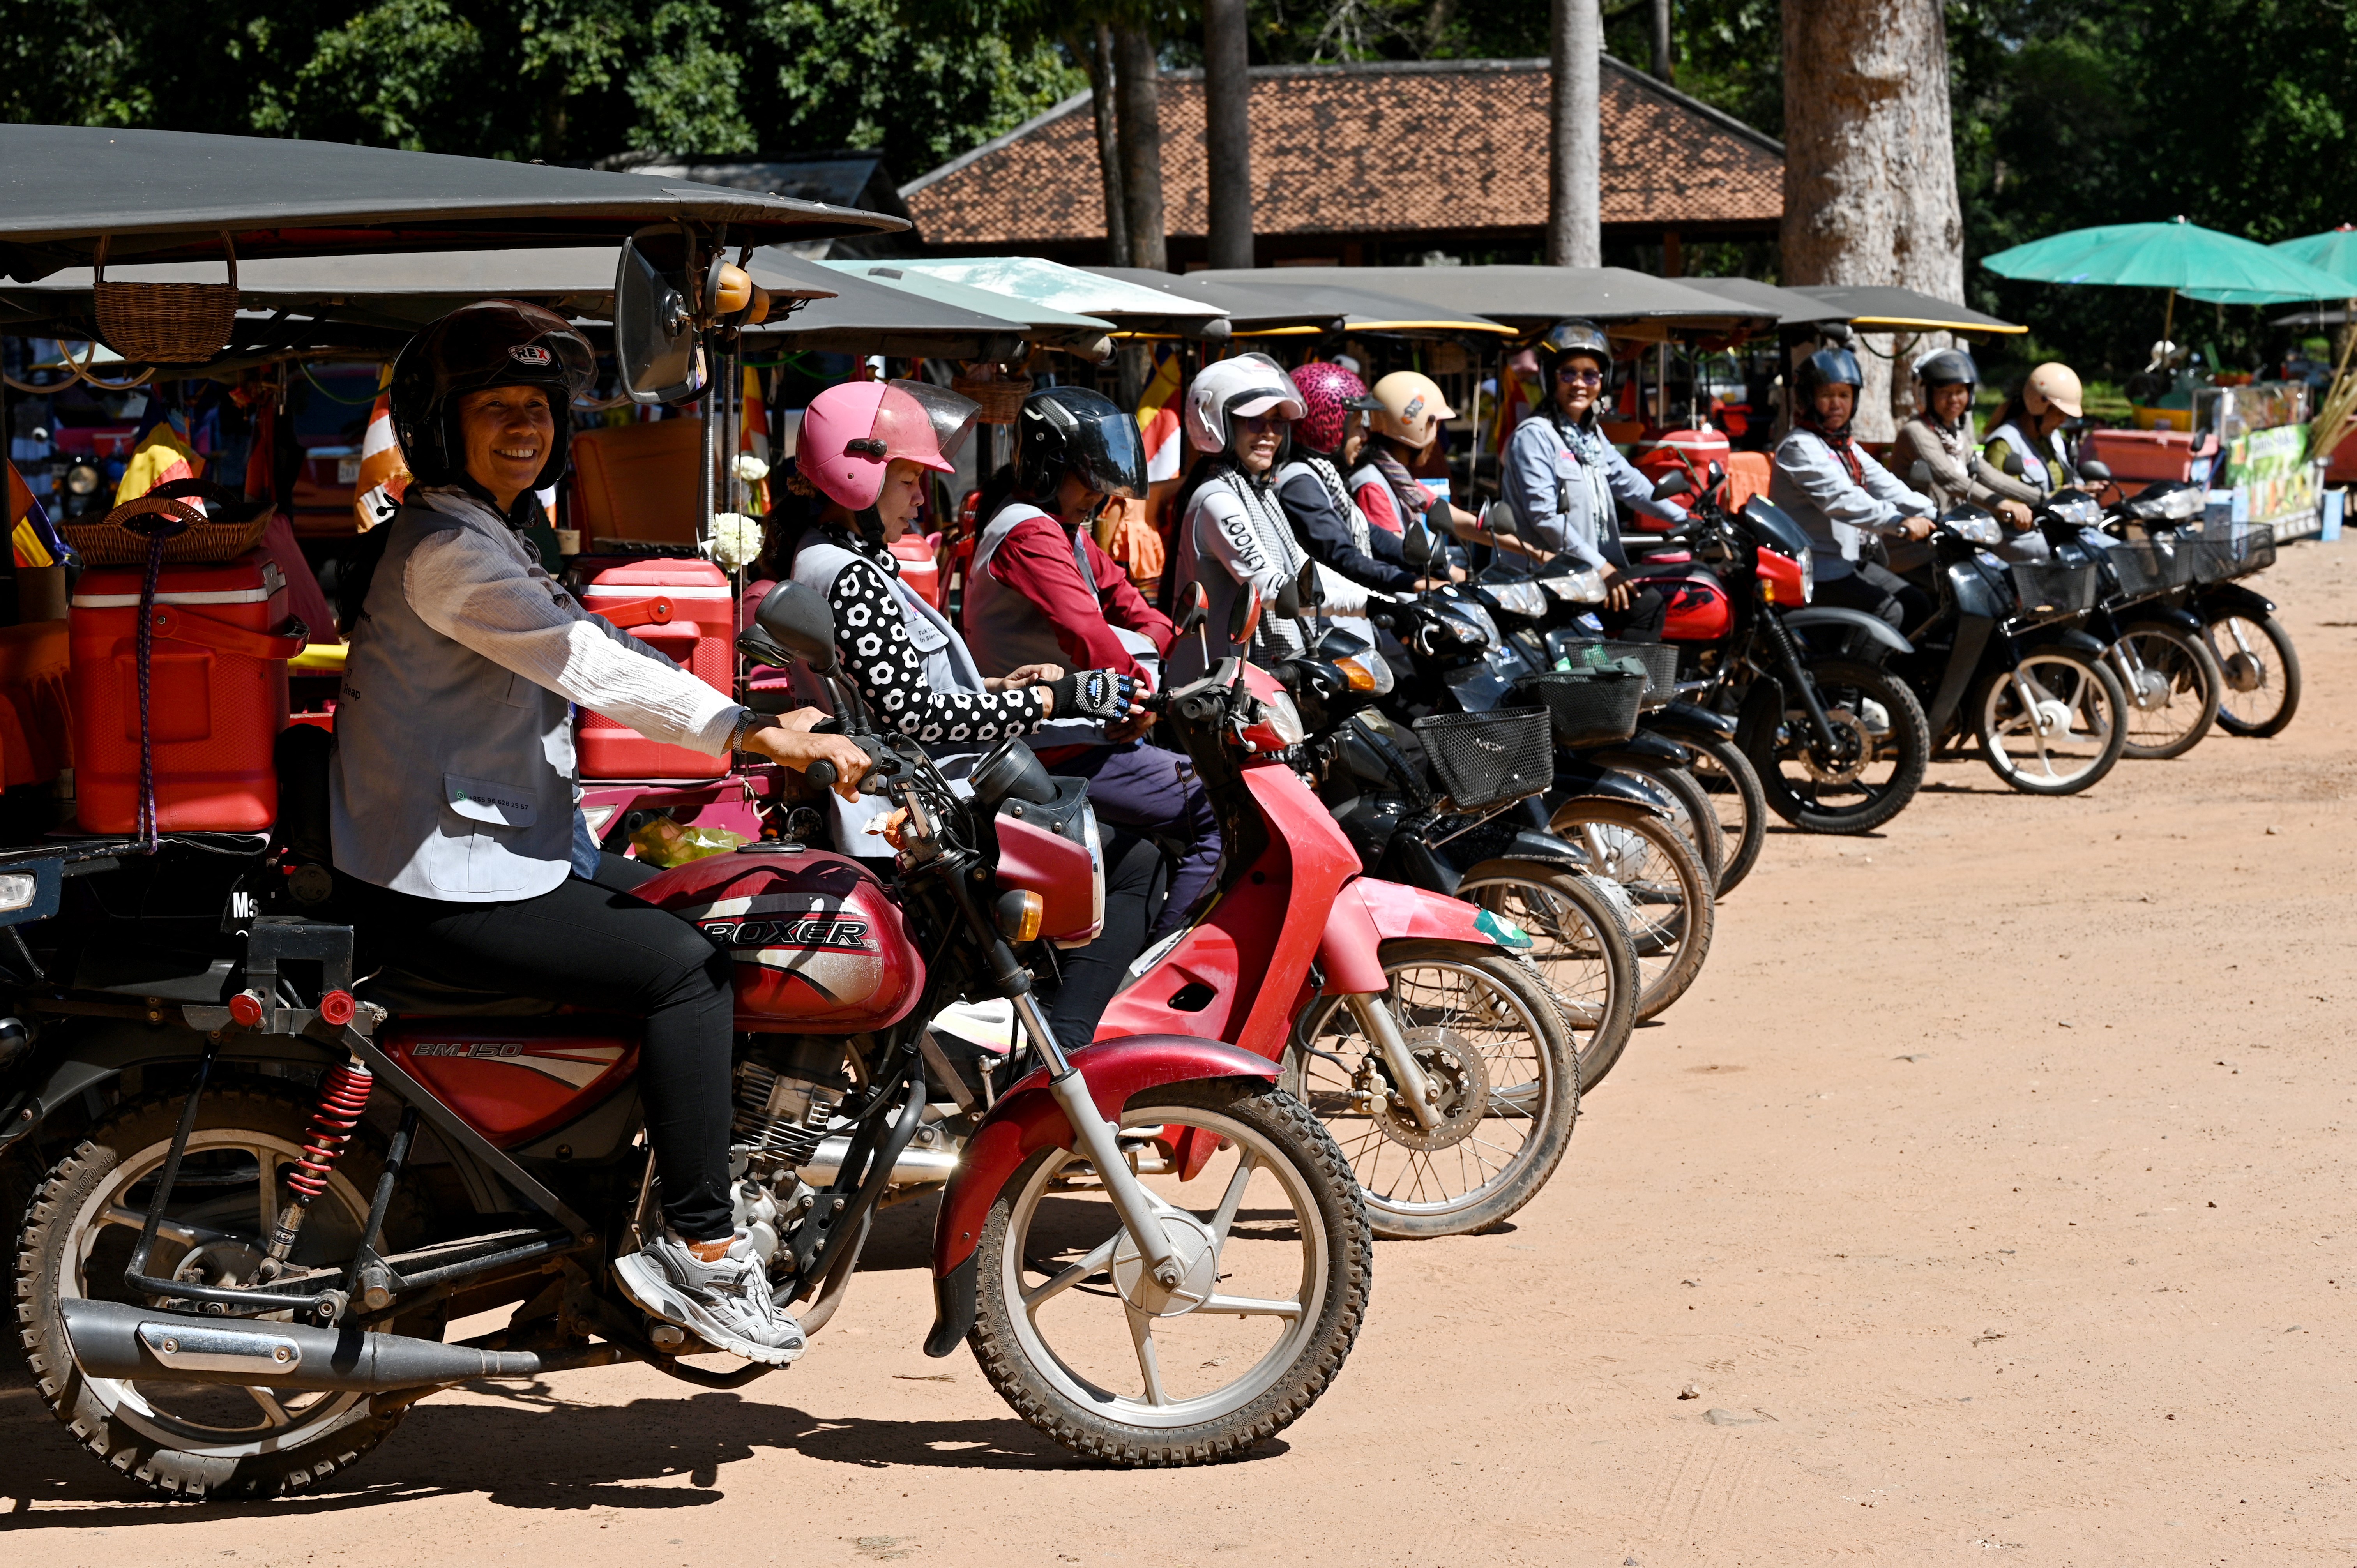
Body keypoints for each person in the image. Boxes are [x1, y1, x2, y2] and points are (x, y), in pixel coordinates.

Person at [331, 301, 871, 1366]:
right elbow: (586, 665)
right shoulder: (448, 550)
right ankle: (704, 1249)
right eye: (497, 409)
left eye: (537, 409)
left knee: (708, 907)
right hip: (443, 878)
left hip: (507, 849)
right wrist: (746, 729)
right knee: (688, 975)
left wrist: (765, 702)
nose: (524, 427)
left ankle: (604, 1216)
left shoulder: (491, 529)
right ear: (445, 425)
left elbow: (605, 639)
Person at [779, 378, 1151, 1042]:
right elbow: (915, 716)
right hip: (918, 814)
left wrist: (1007, 684)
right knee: (1129, 861)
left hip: (917, 801)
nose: (922, 497)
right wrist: (1049, 697)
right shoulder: (847, 574)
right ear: (856, 472)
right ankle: (1062, 1051)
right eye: (908, 480)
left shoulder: (832, 559)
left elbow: (905, 692)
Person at [961, 384, 1220, 941]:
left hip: (1084, 733)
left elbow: (1135, 606)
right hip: (1053, 743)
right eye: (1090, 484)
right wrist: (1136, 695)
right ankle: (1161, 967)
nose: (1099, 501)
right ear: (1051, 466)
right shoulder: (1029, 534)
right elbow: (1088, 634)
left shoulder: (1065, 532)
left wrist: (1139, 670)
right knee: (1218, 810)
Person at [1166, 354, 1373, 689]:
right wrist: (1369, 606)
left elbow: (1307, 571)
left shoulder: (1260, 493)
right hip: (1220, 691)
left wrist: (1381, 601)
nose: (1269, 435)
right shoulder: (1217, 500)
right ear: (1216, 423)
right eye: (1254, 421)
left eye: (1277, 423)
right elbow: (1271, 588)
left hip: (1254, 679)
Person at [1498, 319, 1687, 635]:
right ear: (1551, 378)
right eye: (1568, 373)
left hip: (1579, 575)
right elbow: (1545, 516)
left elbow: (1631, 483)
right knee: (1645, 607)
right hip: (1545, 580)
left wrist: (1687, 518)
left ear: (1603, 381)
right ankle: (1627, 685)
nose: (1580, 384)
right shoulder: (1535, 435)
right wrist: (1602, 567)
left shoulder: (1590, 436)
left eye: (1590, 375)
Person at [1768, 344, 1936, 632]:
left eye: (1844, 395)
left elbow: (1888, 486)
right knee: (1890, 614)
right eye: (1827, 395)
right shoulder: (1800, 447)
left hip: (1848, 562)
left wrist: (1937, 514)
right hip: (1817, 571)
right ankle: (1857, 678)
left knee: (1917, 604)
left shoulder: (1844, 446)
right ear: (1809, 399)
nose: (1837, 404)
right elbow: (1843, 500)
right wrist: (1900, 523)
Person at [1275, 361, 1454, 595]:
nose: (1363, 436)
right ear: (1327, 427)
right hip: (1332, 616)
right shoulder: (1300, 484)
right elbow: (1342, 555)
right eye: (1357, 426)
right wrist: (1412, 583)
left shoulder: (1327, 478)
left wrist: (1432, 565)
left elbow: (1372, 534)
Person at [1889, 347, 2044, 566]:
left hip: (1955, 538)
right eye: (1945, 392)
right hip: (1916, 544)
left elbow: (1987, 475)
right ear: (1927, 395)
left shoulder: (1956, 435)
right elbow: (1949, 478)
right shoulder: (1916, 432)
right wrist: (2005, 505)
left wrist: (2044, 498)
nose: (1954, 399)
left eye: (1960, 391)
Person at [1981, 361, 2085, 497]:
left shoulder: (2053, 439)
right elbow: (2002, 499)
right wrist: (2060, 496)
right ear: (2038, 406)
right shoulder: (2003, 445)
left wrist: (2086, 490)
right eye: (2059, 413)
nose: (2063, 421)